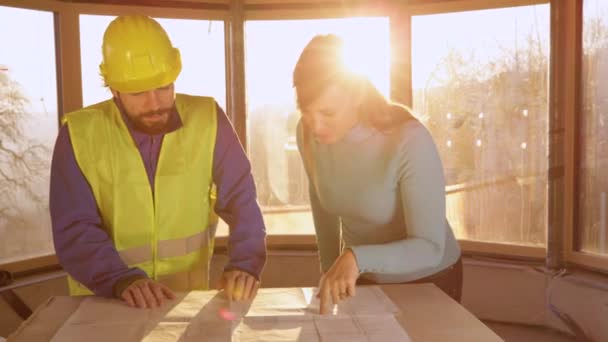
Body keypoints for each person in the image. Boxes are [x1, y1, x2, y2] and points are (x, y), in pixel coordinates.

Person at [50, 15, 266, 309]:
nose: (155, 103)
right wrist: (121, 279)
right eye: (138, 92)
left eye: (164, 87)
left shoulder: (209, 120)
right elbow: (74, 228)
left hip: (185, 302)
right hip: (108, 303)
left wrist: (245, 263)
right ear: (113, 89)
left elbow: (242, 200)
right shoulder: (78, 135)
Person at [293, 34, 462, 314]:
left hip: (430, 278)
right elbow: (322, 203)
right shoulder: (307, 132)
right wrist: (329, 270)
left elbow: (429, 247)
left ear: (357, 96)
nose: (316, 125)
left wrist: (356, 257)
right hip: (364, 275)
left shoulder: (410, 139)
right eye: (306, 112)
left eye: (328, 112)